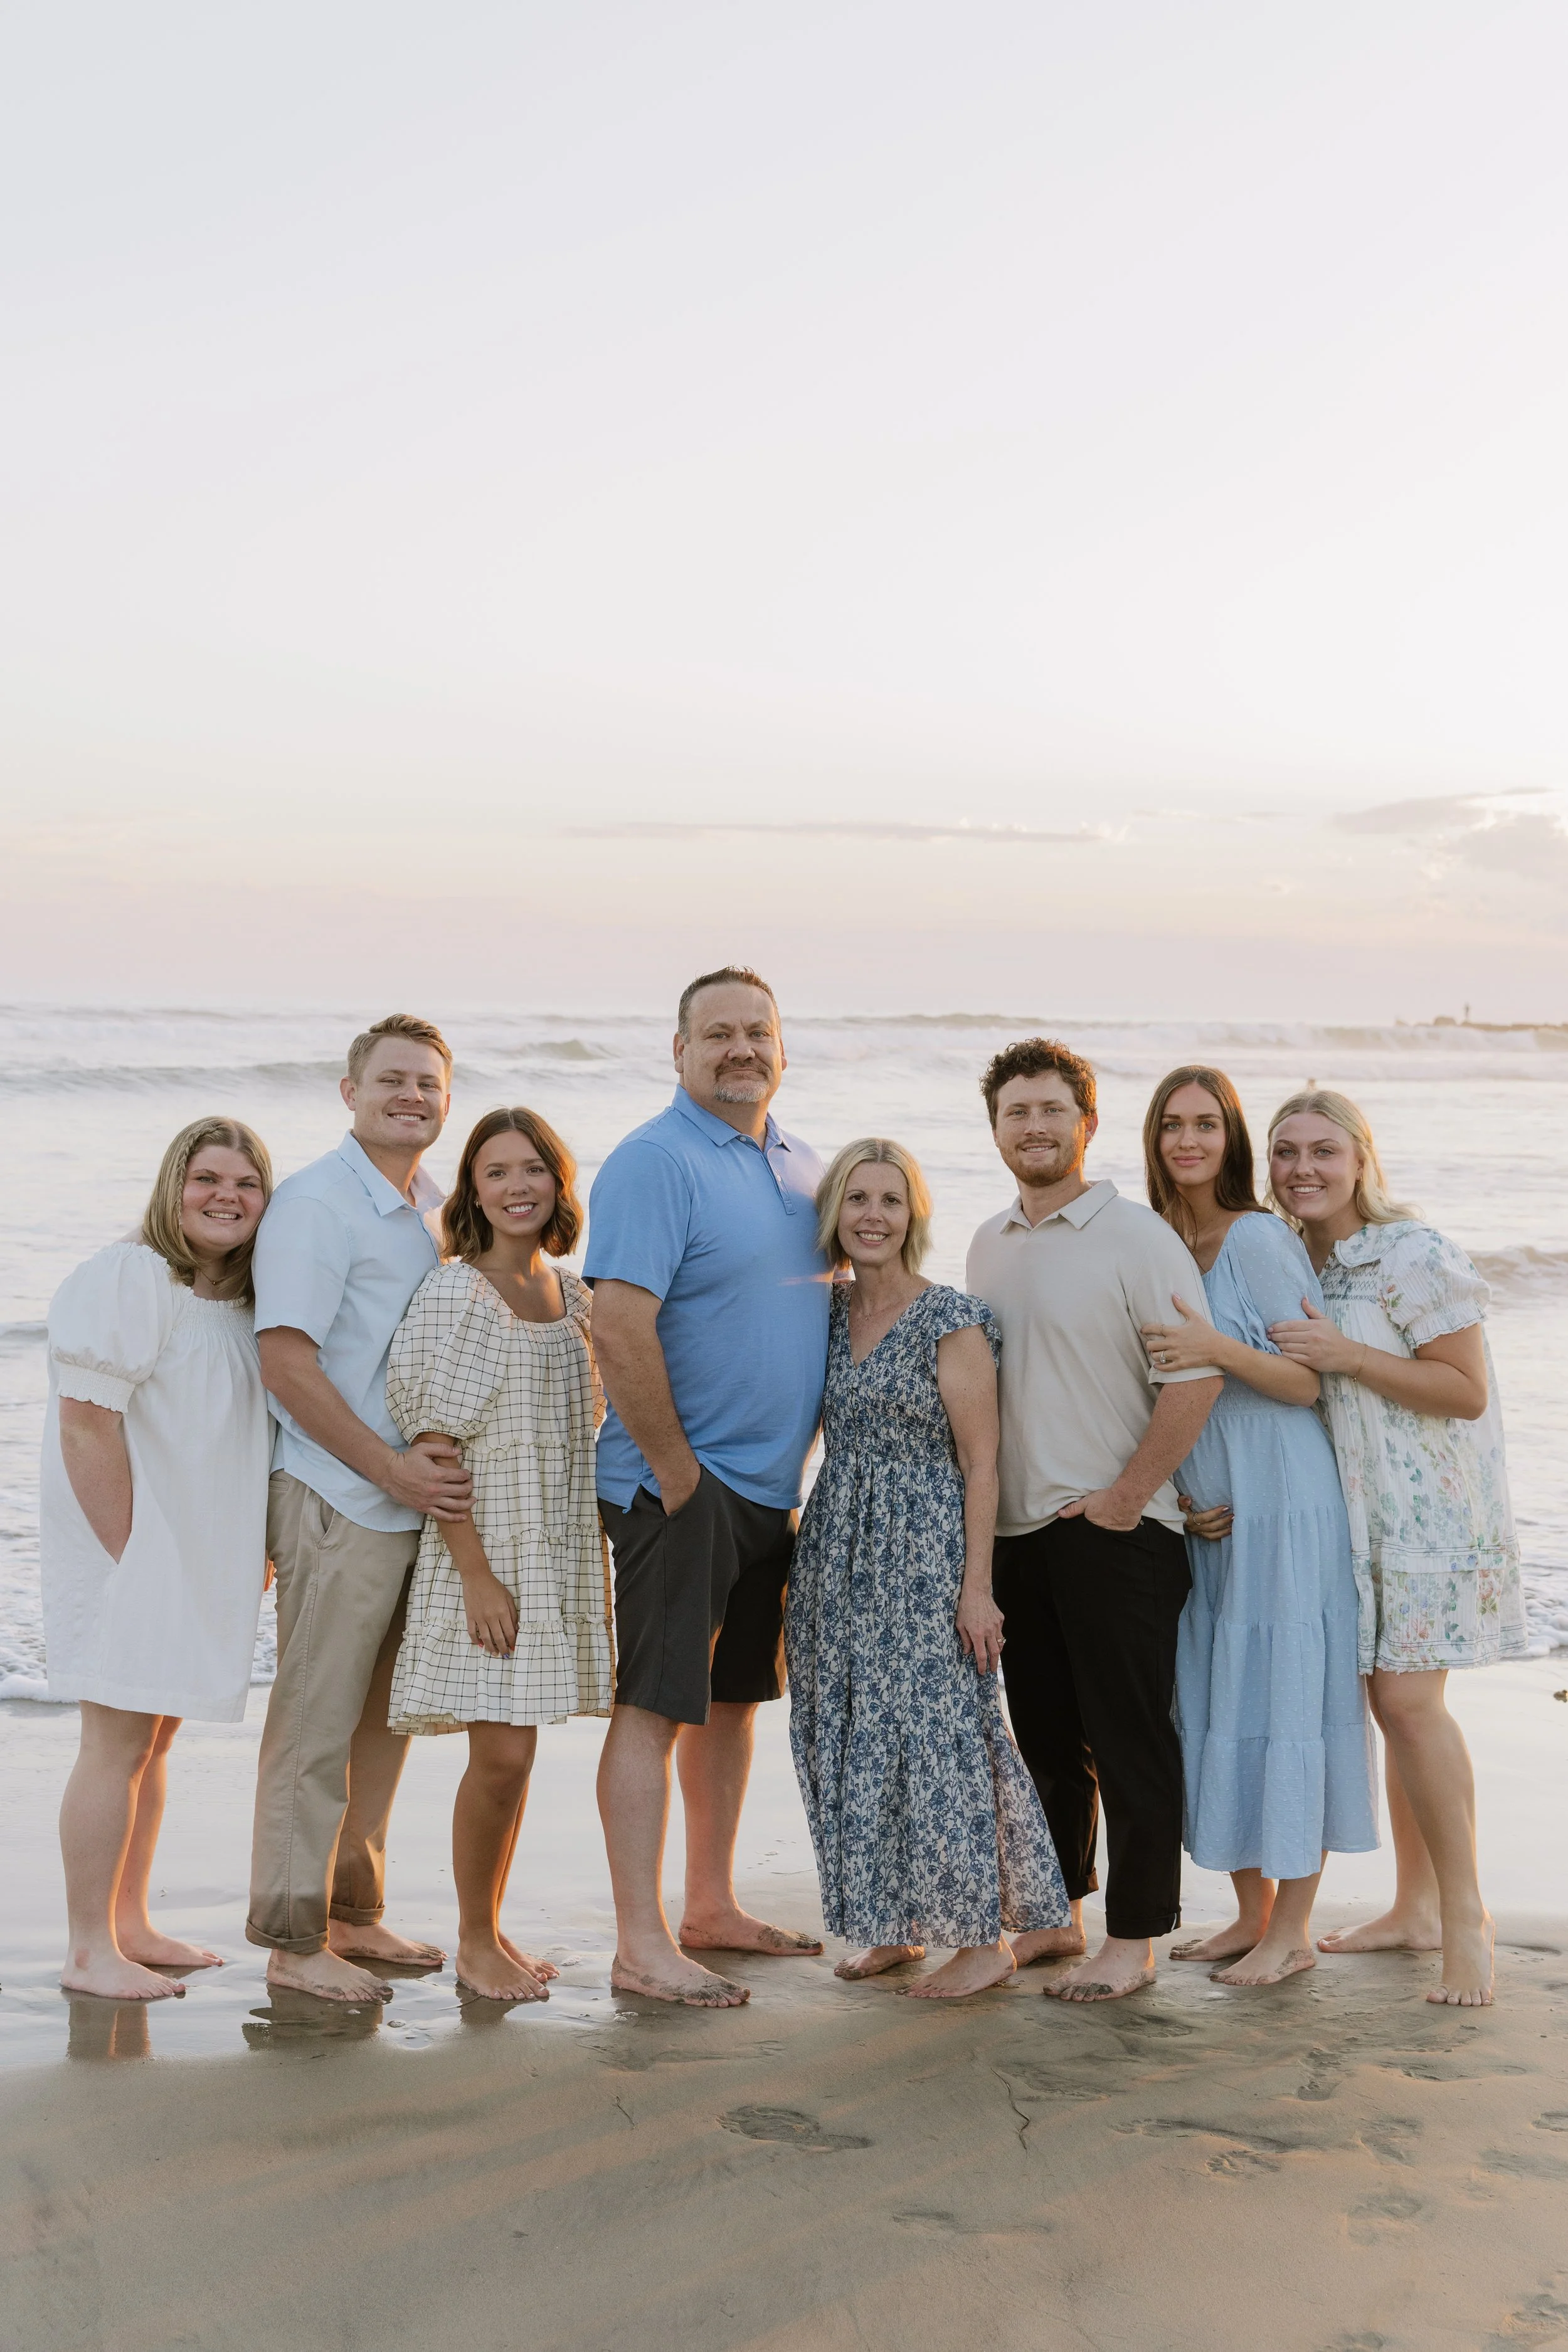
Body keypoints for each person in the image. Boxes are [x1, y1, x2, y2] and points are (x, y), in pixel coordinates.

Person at [586, 966, 830, 2006]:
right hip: (678, 1487)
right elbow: (618, 1323)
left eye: (757, 1032)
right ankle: (642, 1943)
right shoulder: (655, 1159)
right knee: (655, 1705)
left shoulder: (804, 1163)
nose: (740, 1048)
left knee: (732, 1704)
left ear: (783, 1048)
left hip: (771, 1494)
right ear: (678, 1050)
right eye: (717, 1033)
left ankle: (709, 1904)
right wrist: (681, 1476)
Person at [965, 1038, 1222, 2003]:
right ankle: (1056, 1913)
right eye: (1015, 1112)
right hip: (1020, 1530)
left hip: (1119, 1529)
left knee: (1129, 1738)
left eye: (1050, 1109)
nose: (1034, 1125)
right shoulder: (989, 1240)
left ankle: (1137, 1935)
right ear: (995, 1129)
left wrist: (1124, 1498)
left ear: (1088, 1122)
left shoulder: (1137, 1236)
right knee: (1045, 1734)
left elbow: (1192, 1377)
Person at [786, 1140, 1069, 1998]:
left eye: (891, 1200)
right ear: (834, 1211)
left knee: (942, 1734)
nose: (873, 1215)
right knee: (848, 1732)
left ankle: (983, 1937)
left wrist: (975, 1587)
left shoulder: (950, 1315)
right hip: (838, 1548)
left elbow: (982, 1461)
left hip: (927, 1550)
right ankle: (892, 1922)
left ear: (914, 1217)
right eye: (857, 1198)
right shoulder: (824, 1313)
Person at [1266, 1089, 1527, 2008]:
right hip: (1349, 1519)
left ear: (1361, 1159)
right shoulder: (1292, 1256)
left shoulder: (1410, 1253)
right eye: (1286, 1150)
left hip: (1429, 1519)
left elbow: (1465, 1390)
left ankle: (1466, 1914)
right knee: (1390, 1704)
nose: (1303, 1168)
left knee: (1412, 1704)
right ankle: (1414, 1905)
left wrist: (1349, 1356)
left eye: (1323, 1151)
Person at [247, 1014, 474, 2005]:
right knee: (315, 1721)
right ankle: (292, 1941)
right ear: (350, 1091)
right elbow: (286, 1363)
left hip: (412, 1504)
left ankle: (352, 1910)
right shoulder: (314, 1204)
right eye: (392, 1080)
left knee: (385, 1720)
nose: (411, 1096)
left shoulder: (432, 1207)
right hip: (341, 1492)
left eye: (428, 1083)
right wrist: (386, 1467)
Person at [1138, 1067, 1378, 1985]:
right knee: (1216, 1692)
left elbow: (1303, 1381)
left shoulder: (1261, 1236)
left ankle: (1297, 1929)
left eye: (1206, 1124)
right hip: (1209, 1513)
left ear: (1230, 1139)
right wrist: (1177, 1497)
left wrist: (1216, 1348)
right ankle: (1250, 1912)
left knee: (1287, 1693)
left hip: (1283, 1495)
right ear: (1155, 1139)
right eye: (1172, 1124)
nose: (1188, 1140)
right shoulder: (1158, 1241)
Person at [42, 1118, 274, 2000]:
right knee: (115, 1742)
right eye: (207, 1177)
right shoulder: (131, 1276)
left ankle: (130, 1922)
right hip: (131, 1547)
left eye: (247, 1183)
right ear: (172, 1186)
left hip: (195, 1548)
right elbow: (84, 1422)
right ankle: (86, 1948)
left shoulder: (237, 1297)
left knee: (155, 1739)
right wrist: (132, 1553)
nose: (227, 1196)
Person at [386, 1108, 614, 2002]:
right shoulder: (456, 1293)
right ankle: (474, 1940)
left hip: (553, 1549)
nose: (518, 1186)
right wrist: (478, 1574)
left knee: (516, 1757)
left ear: (559, 1183)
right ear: (472, 1191)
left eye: (534, 1169)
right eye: (495, 1171)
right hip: (483, 1553)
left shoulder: (576, 1296)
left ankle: (490, 1924)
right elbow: (433, 1446)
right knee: (502, 1759)